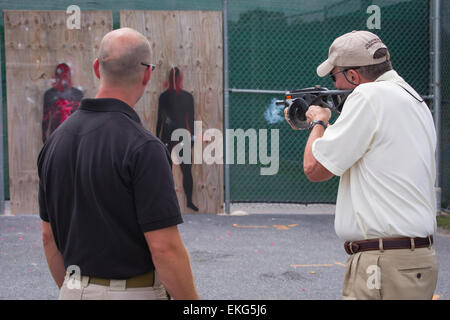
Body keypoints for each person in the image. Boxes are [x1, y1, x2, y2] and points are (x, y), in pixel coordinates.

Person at [38, 28, 199, 300]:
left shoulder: (55, 142)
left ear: (97, 68)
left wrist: (76, 291)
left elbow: (48, 237)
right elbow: (164, 249)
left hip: (72, 291)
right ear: (148, 74)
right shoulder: (145, 148)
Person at [286, 30, 438, 299]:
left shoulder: (367, 96)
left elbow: (315, 169)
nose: (336, 86)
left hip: (383, 262)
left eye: (335, 78)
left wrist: (318, 122)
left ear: (354, 76)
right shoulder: (413, 99)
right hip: (415, 259)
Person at [156, 66, 199, 211]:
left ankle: (171, 201)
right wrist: (192, 136)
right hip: (180, 134)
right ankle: (188, 201)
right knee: (185, 170)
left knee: (167, 170)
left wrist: (158, 138)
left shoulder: (164, 96)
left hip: (169, 135)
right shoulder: (186, 97)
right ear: (181, 79)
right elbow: (190, 119)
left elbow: (160, 120)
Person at [42, 63, 83, 143]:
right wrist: (44, 139)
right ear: (56, 77)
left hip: (73, 136)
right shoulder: (50, 95)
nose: (63, 79)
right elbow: (45, 119)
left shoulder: (77, 94)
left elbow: (81, 119)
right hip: (56, 136)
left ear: (69, 76)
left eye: (65, 75)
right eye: (61, 76)